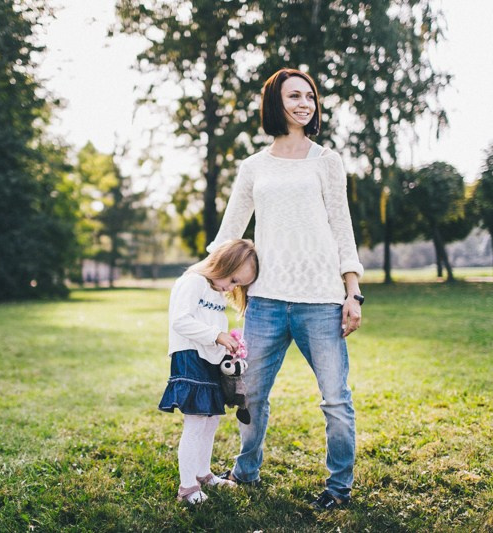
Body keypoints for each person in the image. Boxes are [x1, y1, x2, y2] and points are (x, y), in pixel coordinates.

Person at [207, 68, 365, 511]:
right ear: (275, 102)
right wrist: (201, 276)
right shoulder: (253, 166)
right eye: (294, 95)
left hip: (321, 300)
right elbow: (229, 232)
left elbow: (342, 228)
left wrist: (352, 292)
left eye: (310, 97)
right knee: (250, 393)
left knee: (335, 400)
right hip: (266, 301)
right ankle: (245, 472)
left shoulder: (327, 161)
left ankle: (338, 489)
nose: (304, 103)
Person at [158, 238, 260, 505]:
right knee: (196, 422)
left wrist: (227, 348)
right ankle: (187, 487)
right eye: (234, 279)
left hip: (208, 361)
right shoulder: (193, 281)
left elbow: (213, 328)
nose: (232, 287)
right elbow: (180, 321)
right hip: (189, 357)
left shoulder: (216, 292)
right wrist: (216, 335)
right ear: (223, 263)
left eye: (238, 285)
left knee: (211, 419)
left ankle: (203, 473)